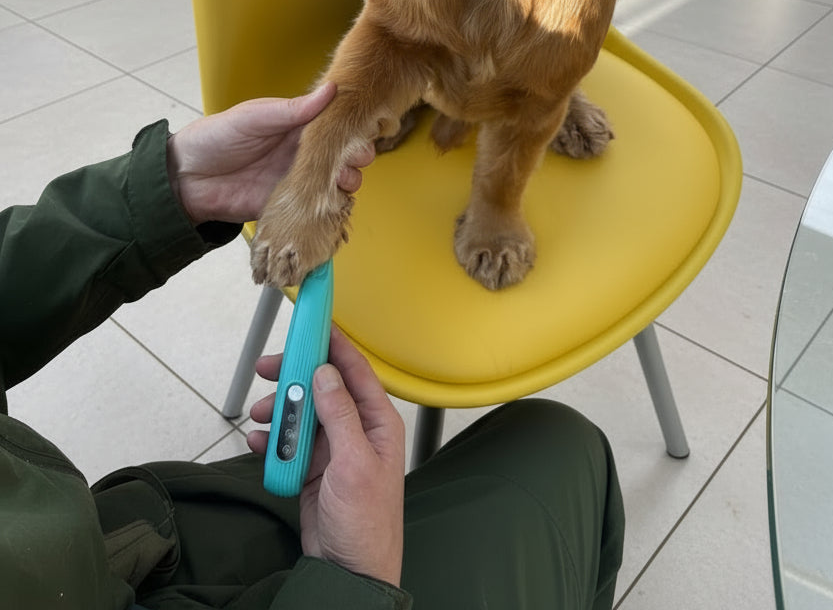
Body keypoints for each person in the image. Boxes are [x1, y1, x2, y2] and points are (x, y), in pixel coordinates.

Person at [0, 83, 624, 609]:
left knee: (296, 472)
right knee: (562, 440)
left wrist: (172, 186)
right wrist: (353, 582)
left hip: (117, 535)